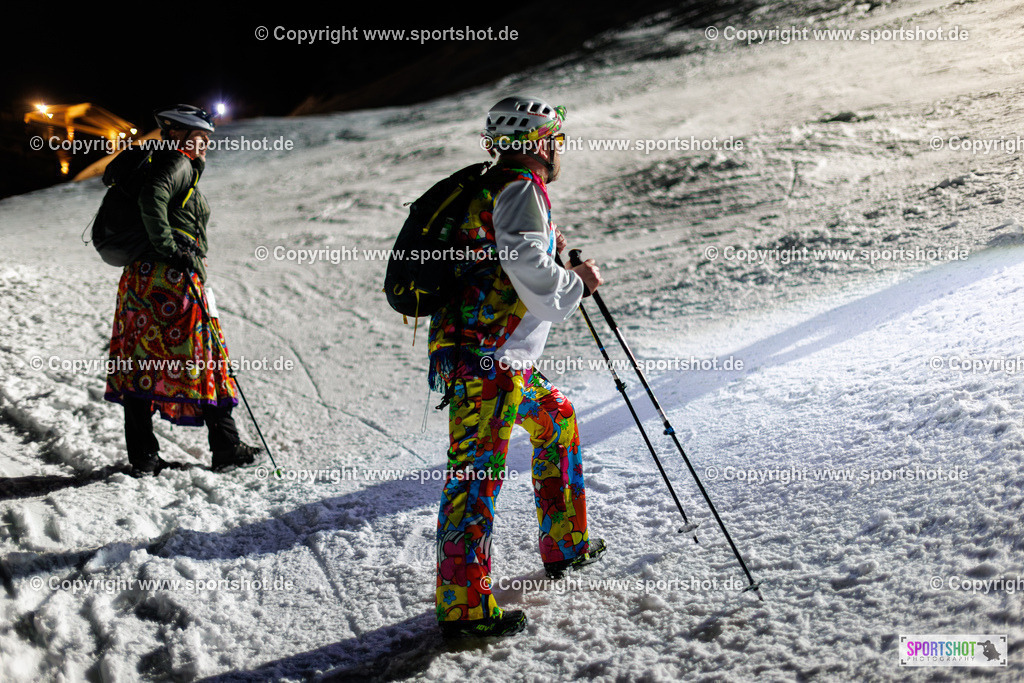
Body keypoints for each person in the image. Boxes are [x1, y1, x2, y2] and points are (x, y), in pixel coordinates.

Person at [428, 96, 606, 638]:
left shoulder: (493, 186)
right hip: (489, 362)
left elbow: (513, 253)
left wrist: (561, 257)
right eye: (552, 139)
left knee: (557, 419)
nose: (557, 150)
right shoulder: (520, 189)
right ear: (534, 143)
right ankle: (463, 609)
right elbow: (526, 263)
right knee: (475, 477)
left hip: (498, 359)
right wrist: (579, 282)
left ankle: (564, 544)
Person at [104, 104, 261, 476]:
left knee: (142, 362)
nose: (205, 143)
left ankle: (143, 456)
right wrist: (171, 249)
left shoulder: (167, 162)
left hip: (141, 280)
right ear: (178, 135)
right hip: (171, 279)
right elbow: (152, 198)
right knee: (207, 357)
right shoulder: (177, 162)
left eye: (206, 137)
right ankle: (225, 447)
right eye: (199, 136)